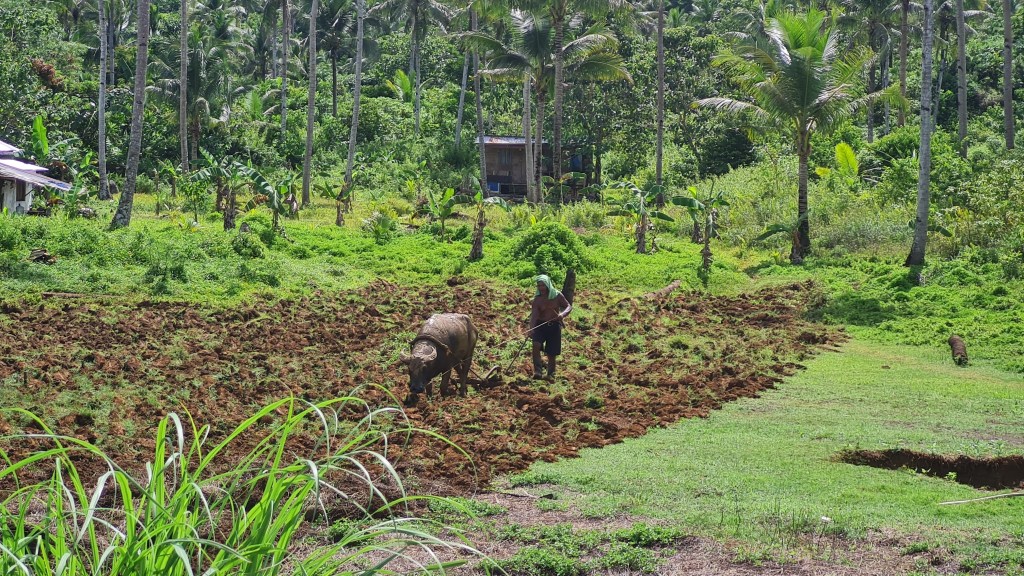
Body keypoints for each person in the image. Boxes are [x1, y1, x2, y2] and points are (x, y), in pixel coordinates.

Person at [529, 274, 573, 379]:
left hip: (554, 326)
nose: (541, 288)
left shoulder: (557, 295)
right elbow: (534, 315)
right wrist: (531, 328)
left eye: (543, 285)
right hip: (540, 325)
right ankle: (538, 372)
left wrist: (562, 315)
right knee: (536, 345)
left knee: (551, 352)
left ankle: (551, 373)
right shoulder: (537, 299)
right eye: (539, 286)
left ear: (548, 285)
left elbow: (568, 306)